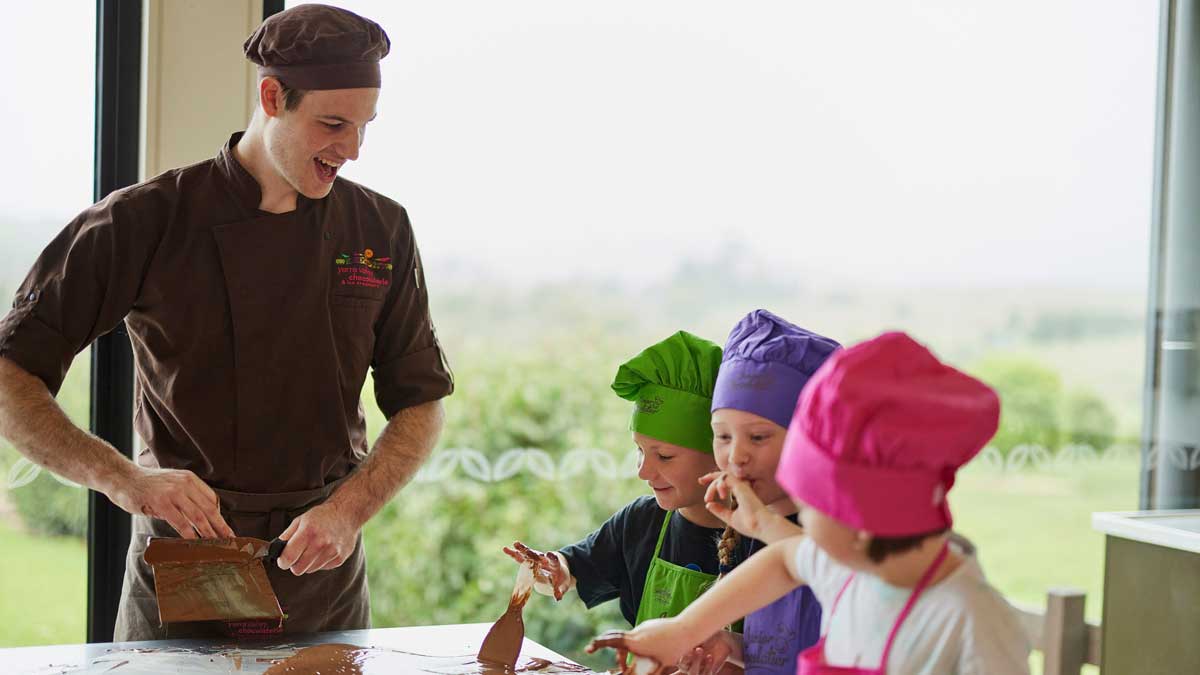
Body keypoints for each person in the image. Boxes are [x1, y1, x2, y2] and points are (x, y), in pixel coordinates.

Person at [0, 4, 453, 640]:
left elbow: (422, 404)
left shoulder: (379, 229)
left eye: (364, 126)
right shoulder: (143, 221)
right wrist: (124, 480)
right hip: (185, 562)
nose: (352, 149)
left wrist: (349, 511)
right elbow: (10, 375)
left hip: (322, 573)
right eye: (332, 124)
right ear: (272, 97)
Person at [589, 332, 1031, 675]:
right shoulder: (860, 571)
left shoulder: (972, 621)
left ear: (861, 515)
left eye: (809, 504)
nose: (801, 520)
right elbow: (786, 560)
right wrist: (683, 630)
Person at [504, 331, 727, 630]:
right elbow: (573, 567)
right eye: (640, 451)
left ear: (720, 452)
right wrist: (551, 570)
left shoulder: (759, 537)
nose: (643, 471)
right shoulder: (640, 521)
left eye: (664, 456)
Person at [684, 310, 839, 675]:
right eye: (723, 436)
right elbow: (784, 651)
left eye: (758, 437)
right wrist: (731, 646)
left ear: (809, 440)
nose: (736, 455)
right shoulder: (754, 527)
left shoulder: (841, 538)